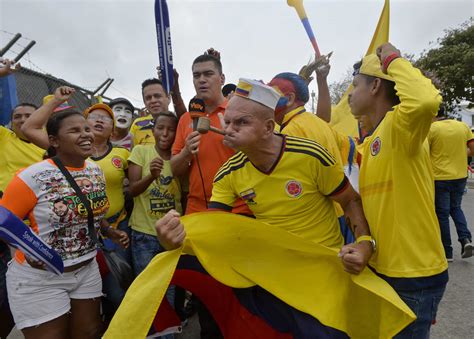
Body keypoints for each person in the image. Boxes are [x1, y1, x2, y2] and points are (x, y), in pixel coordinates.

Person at [156, 78, 374, 337]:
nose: (229, 129)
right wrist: (175, 240)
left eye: (242, 122)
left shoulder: (310, 155)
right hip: (275, 277)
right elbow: (214, 228)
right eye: (228, 122)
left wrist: (364, 242)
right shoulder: (228, 173)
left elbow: (349, 200)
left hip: (324, 274)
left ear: (269, 127)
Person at [0, 108, 128, 339]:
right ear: (54, 141)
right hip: (41, 278)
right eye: (75, 131)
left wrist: (109, 231)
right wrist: (27, 249)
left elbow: (90, 214)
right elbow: (3, 222)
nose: (86, 134)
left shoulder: (95, 171)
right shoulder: (31, 177)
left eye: (87, 129)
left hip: (86, 269)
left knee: (89, 332)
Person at [348, 43, 448, 338]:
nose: (350, 94)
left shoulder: (401, 124)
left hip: (413, 276)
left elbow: (424, 101)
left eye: (355, 85)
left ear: (376, 85)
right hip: (386, 269)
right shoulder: (374, 139)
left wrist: (393, 59)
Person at [268, 56, 355, 243]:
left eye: (271, 95)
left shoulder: (289, 131)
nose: (266, 101)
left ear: (289, 98)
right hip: (341, 209)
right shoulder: (318, 123)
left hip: (320, 218)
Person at [128, 111, 182, 275]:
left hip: (172, 233)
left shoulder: (179, 159)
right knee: (146, 285)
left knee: (169, 286)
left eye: (171, 129)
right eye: (160, 128)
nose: (165, 134)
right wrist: (151, 175)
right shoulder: (140, 151)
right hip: (144, 233)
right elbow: (132, 190)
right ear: (153, 131)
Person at [428, 108, 474, 260]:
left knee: (442, 214)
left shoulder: (432, 129)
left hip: (439, 177)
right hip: (460, 176)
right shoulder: (462, 126)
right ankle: (465, 239)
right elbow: (472, 149)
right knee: (456, 208)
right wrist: (462, 153)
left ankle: (446, 252)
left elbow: (424, 153)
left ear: (433, 114)